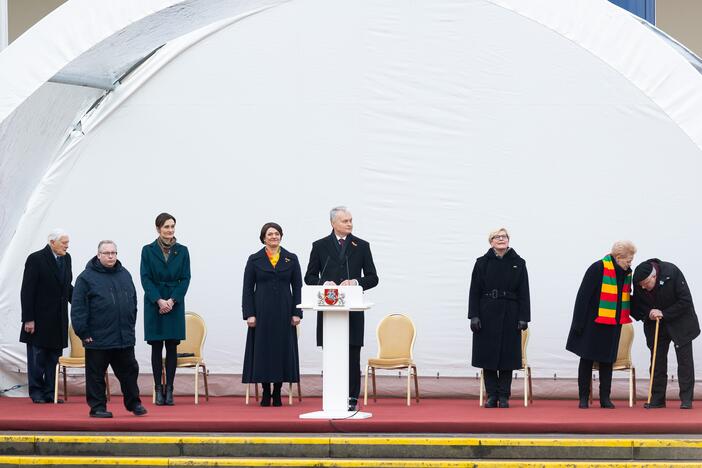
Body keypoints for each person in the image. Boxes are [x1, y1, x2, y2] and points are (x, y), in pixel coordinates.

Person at [304, 206, 379, 411]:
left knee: (352, 355)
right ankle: (332, 394)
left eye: (351, 220)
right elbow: (309, 277)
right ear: (333, 223)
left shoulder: (361, 246)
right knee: (332, 354)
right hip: (329, 310)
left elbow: (373, 278)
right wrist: (323, 283)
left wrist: (355, 282)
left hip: (352, 310)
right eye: (345, 221)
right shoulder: (319, 246)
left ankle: (352, 397)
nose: (349, 224)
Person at [71, 240, 147, 418]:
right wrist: (83, 332)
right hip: (97, 337)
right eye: (107, 253)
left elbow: (133, 302)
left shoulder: (124, 274)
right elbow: (78, 307)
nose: (111, 256)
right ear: (98, 255)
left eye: (114, 252)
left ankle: (134, 404)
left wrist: (130, 325)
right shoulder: (86, 278)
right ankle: (97, 408)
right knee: (96, 375)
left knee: (129, 372)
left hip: (123, 337)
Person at [566, 240, 636, 409]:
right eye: (628, 260)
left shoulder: (626, 273)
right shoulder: (597, 268)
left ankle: (605, 397)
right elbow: (582, 297)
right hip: (592, 323)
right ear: (618, 257)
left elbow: (627, 299)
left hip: (613, 323)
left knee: (607, 361)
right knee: (587, 359)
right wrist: (578, 323)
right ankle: (583, 397)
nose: (630, 263)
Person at [242, 222, 303, 407]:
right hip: (261, 313)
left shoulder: (291, 259)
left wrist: (297, 312)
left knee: (281, 352)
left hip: (285, 313)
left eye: (277, 234)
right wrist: (249, 314)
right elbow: (247, 289)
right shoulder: (254, 259)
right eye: (270, 234)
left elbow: (298, 288)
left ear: (281, 236)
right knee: (263, 352)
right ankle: (265, 391)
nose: (274, 237)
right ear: (263, 238)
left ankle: (277, 392)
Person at [468, 228, 530, 408]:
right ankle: (491, 395)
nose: (501, 239)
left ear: (508, 240)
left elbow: (524, 292)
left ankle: (504, 396)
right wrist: (474, 315)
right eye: (497, 237)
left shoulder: (519, 263)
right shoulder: (481, 263)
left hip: (510, 314)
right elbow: (474, 291)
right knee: (487, 356)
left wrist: (523, 317)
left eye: (504, 237)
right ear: (491, 241)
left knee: (507, 357)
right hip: (486, 313)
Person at [632, 259, 699, 409]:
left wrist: (664, 313)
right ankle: (657, 398)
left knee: (685, 361)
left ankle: (686, 399)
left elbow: (685, 300)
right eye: (641, 286)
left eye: (646, 284)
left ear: (654, 277)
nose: (644, 288)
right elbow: (636, 304)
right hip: (656, 324)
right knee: (657, 361)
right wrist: (647, 313)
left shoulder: (672, 272)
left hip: (680, 321)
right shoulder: (639, 282)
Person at [140, 213, 191, 406]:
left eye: (172, 227)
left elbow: (186, 278)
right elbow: (145, 278)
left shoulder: (183, 251)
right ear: (158, 229)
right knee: (156, 347)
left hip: (174, 303)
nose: (170, 231)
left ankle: (169, 388)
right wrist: (159, 300)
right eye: (166, 227)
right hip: (154, 303)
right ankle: (157, 388)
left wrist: (172, 300)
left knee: (171, 346)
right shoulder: (147, 250)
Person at [20, 229, 73, 404]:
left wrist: (81, 302)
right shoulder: (36, 259)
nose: (67, 245)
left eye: (67, 242)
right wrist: (28, 318)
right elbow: (27, 291)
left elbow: (66, 287)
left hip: (58, 319)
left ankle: (51, 392)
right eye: (64, 242)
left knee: (54, 358)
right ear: (52, 242)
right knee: (37, 358)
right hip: (39, 319)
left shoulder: (67, 258)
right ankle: (36, 391)